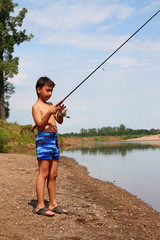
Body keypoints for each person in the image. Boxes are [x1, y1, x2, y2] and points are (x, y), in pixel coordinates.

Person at [32, 76, 68, 217]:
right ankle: (40, 206)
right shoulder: (36, 107)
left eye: (51, 91)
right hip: (44, 139)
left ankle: (53, 204)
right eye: (47, 90)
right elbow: (40, 125)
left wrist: (60, 113)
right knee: (44, 173)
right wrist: (49, 112)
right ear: (39, 90)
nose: (50, 94)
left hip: (54, 139)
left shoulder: (50, 105)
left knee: (53, 174)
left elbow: (59, 121)